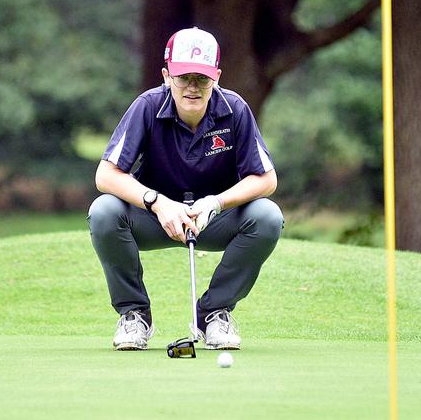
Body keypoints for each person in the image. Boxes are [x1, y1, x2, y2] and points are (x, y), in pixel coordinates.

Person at [88, 27, 283, 351]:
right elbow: (105, 175)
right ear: (167, 76)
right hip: (154, 218)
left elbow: (267, 180)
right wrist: (157, 202)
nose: (192, 87)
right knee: (104, 211)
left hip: (212, 220)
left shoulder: (234, 109)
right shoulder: (147, 106)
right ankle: (134, 314)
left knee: (267, 216)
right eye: (183, 77)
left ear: (216, 77)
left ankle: (213, 313)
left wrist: (216, 203)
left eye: (201, 78)